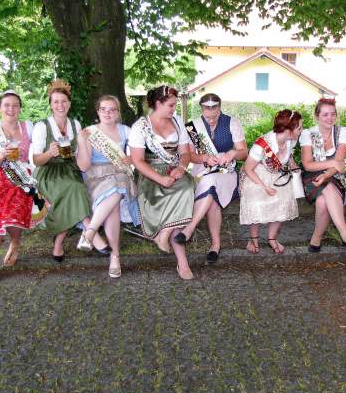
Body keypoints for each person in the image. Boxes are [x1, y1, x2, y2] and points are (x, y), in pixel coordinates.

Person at [32, 79, 109, 261]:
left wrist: (81, 148)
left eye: (64, 101)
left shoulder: (75, 124)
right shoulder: (42, 126)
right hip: (48, 172)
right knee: (75, 189)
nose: (60, 105)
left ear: (69, 104)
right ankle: (91, 232)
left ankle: (59, 243)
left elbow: (80, 157)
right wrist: (49, 153)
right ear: (51, 105)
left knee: (75, 190)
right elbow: (36, 160)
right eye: (56, 102)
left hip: (70, 169)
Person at [129, 85, 197, 280]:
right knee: (177, 198)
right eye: (171, 105)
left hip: (174, 170)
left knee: (186, 188)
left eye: (175, 105)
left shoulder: (177, 121)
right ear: (158, 103)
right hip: (150, 175)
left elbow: (184, 153)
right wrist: (160, 179)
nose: (174, 109)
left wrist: (181, 168)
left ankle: (164, 234)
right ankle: (182, 262)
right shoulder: (140, 127)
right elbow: (138, 161)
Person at [173, 93, 248, 263]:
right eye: (208, 117)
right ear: (201, 110)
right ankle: (215, 245)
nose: (211, 120)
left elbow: (244, 153)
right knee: (212, 196)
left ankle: (190, 228)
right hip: (202, 170)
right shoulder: (193, 127)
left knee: (212, 182)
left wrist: (232, 153)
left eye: (215, 116)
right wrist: (205, 157)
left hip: (226, 173)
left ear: (220, 109)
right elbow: (190, 156)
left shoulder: (232, 122)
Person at [76, 95, 140, 278]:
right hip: (96, 177)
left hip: (119, 174)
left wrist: (131, 159)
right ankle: (114, 255)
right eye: (103, 109)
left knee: (118, 184)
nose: (107, 113)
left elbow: (138, 154)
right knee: (114, 202)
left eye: (112, 109)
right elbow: (83, 166)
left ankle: (90, 233)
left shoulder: (126, 131)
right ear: (98, 111)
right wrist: (81, 141)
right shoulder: (90, 132)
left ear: (118, 113)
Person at [0, 90, 34, 283]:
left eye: (15, 105)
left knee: (13, 217)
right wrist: (2, 155)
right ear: (0, 108)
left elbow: (38, 151)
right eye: (7, 105)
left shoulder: (29, 127)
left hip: (22, 180)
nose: (11, 109)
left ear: (20, 108)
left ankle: (15, 243)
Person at [300, 98, 346, 252]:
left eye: (333, 114)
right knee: (325, 186)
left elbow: (339, 163)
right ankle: (345, 233)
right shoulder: (308, 134)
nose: (330, 118)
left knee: (322, 202)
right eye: (325, 114)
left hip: (334, 177)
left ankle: (316, 238)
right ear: (317, 116)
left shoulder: (342, 132)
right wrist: (333, 163)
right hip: (311, 177)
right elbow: (308, 165)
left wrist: (327, 174)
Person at [239, 109, 302, 254]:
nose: (301, 131)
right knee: (255, 201)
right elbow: (248, 169)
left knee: (284, 200)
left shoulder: (291, 140)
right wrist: (264, 187)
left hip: (277, 176)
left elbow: (289, 156)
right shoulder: (262, 144)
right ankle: (253, 239)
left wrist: (293, 165)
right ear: (289, 130)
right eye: (299, 128)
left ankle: (272, 238)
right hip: (257, 175)